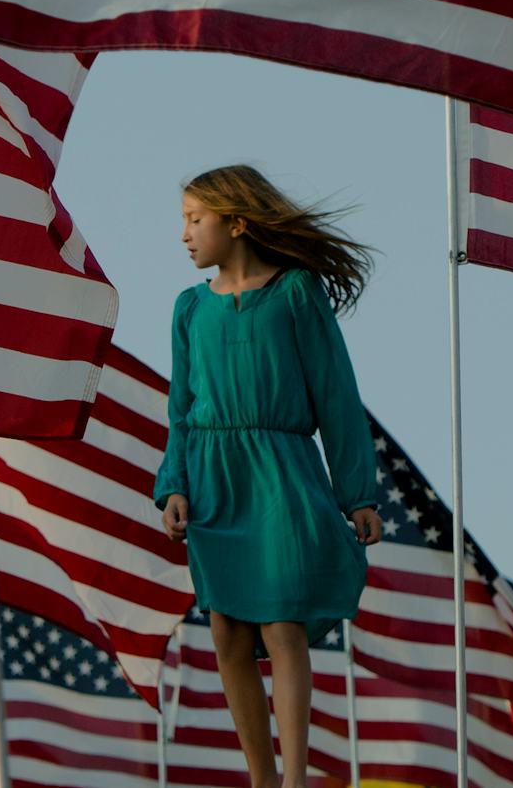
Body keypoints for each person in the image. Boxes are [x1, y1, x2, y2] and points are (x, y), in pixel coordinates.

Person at [155, 164, 382, 788]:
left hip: (281, 470)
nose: (185, 235)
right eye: (183, 221)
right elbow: (181, 409)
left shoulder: (296, 293)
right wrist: (172, 484)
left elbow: (337, 394)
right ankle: (261, 777)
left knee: (282, 619)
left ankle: (295, 778)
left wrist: (356, 492)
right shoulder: (188, 308)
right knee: (227, 627)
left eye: (194, 220)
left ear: (236, 221)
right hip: (210, 477)